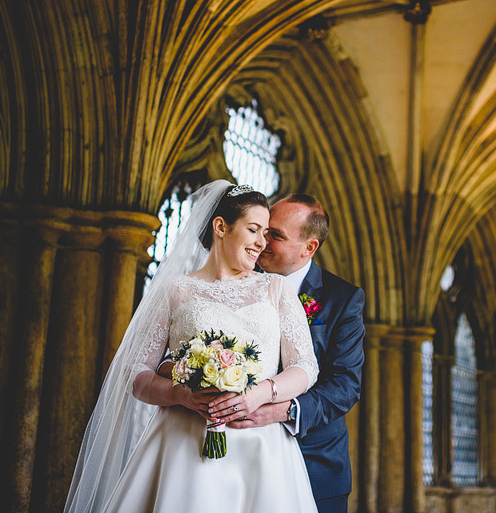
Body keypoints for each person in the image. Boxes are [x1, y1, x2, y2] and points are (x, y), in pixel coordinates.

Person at [65, 180, 319, 513]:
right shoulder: (177, 291)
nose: (262, 242)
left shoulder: (276, 290)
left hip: (261, 447)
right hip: (181, 444)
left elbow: (306, 367)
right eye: (254, 229)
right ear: (220, 227)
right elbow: (135, 372)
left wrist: (261, 393)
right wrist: (180, 395)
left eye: (268, 232)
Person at [229, 194, 366, 513]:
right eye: (262, 230)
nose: (262, 241)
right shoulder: (233, 283)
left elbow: (346, 384)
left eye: (275, 235)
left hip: (313, 462)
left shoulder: (342, 299)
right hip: (238, 456)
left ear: (309, 248)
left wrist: (282, 411)